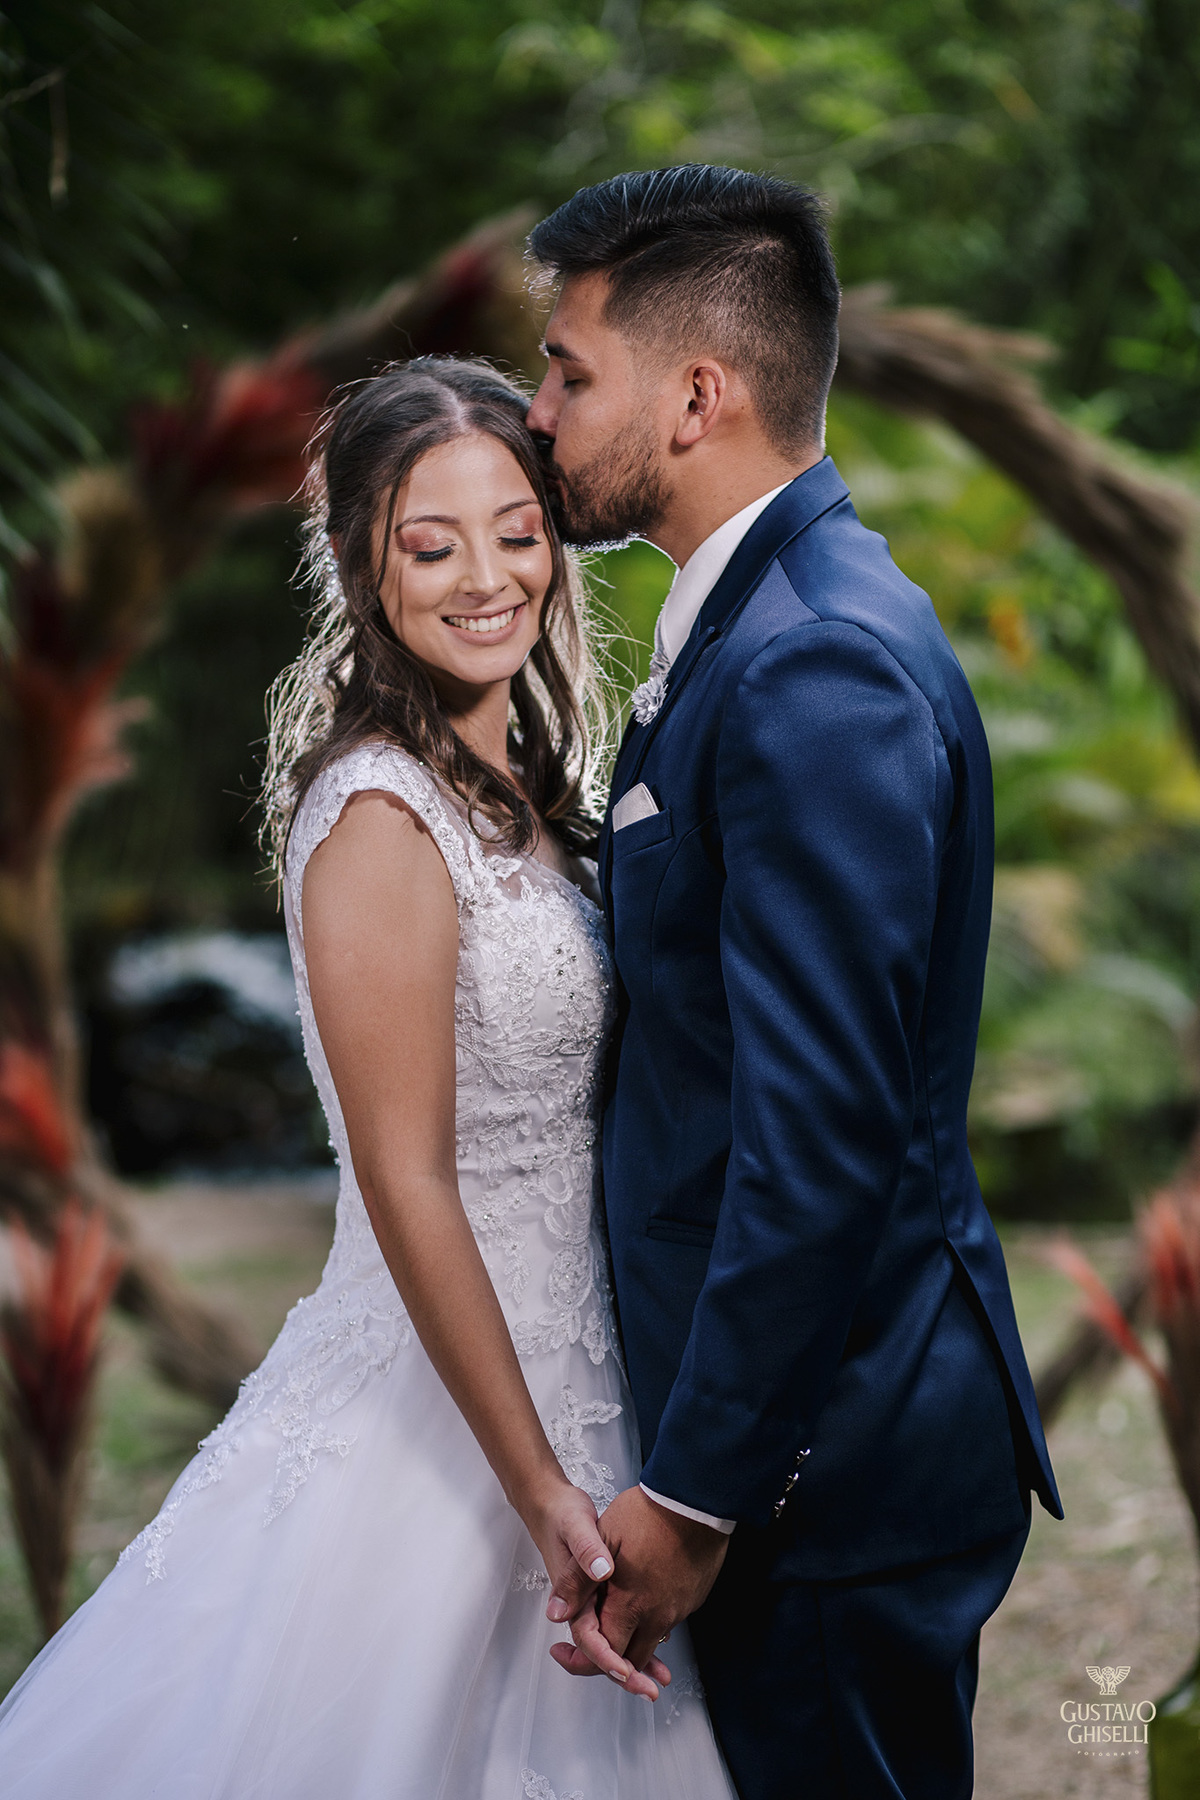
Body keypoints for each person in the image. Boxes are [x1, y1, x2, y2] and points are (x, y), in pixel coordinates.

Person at [0, 358, 737, 1800]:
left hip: (598, 1379)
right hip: (453, 1423)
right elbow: (409, 1181)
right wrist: (537, 1495)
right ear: (358, 564)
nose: (488, 578)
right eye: (432, 542)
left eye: (517, 531)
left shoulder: (532, 788)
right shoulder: (380, 815)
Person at [525, 165, 1062, 1800]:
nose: (538, 414)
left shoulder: (816, 660)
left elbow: (817, 1134)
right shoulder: (755, 620)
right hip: (803, 1446)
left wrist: (699, 1497)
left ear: (699, 396)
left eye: (567, 371)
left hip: (832, 1471)